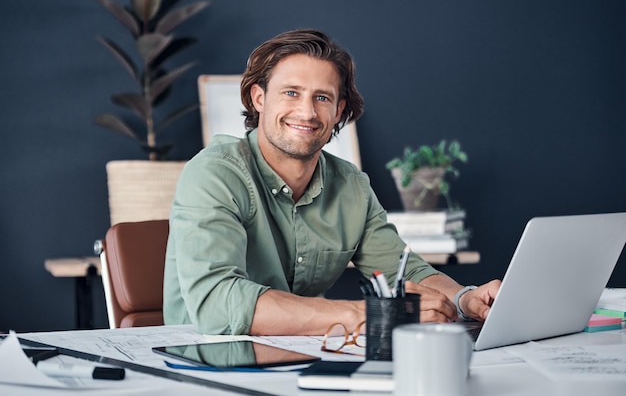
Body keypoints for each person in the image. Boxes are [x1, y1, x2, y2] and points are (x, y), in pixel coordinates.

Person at [163, 28, 501, 335]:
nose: (308, 112)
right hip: (201, 360)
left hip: (301, 357)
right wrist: (365, 314)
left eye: (322, 98)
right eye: (291, 93)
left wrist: (464, 299)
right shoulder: (213, 174)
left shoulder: (351, 186)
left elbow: (404, 271)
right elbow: (216, 303)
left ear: (339, 111)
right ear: (259, 98)